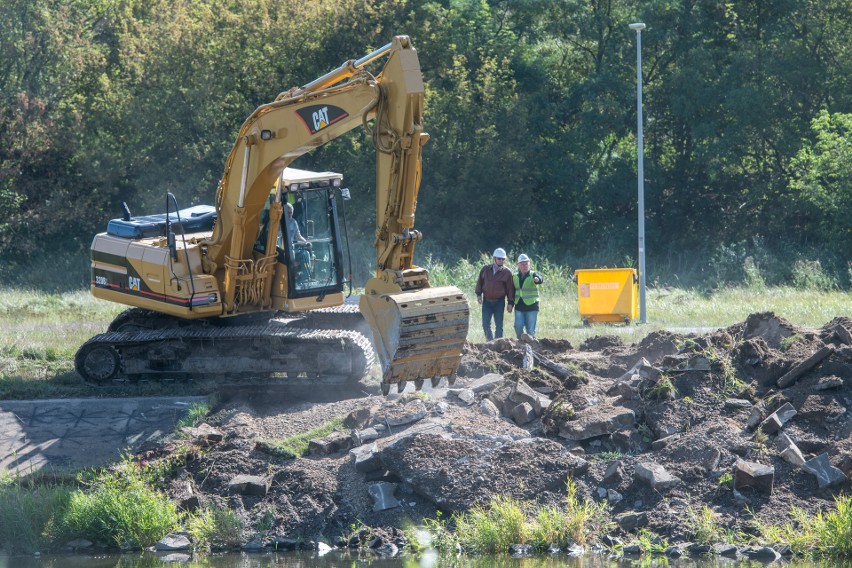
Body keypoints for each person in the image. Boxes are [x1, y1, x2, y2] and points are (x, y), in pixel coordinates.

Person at [475, 248, 515, 340]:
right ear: (494, 258)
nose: (501, 261)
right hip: (486, 301)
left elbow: (510, 289)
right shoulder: (485, 269)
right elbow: (479, 283)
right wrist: (478, 295)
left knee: (499, 326)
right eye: (499, 258)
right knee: (485, 324)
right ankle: (490, 343)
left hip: (499, 302)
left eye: (503, 259)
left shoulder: (507, 273)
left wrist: (510, 303)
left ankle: (498, 345)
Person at [512, 253, 543, 339]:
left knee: (530, 331)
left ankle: (531, 348)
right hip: (519, 306)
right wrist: (510, 304)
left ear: (529, 264)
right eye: (522, 264)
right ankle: (521, 343)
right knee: (518, 327)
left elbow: (540, 279)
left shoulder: (533, 274)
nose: (524, 266)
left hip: (531, 307)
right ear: (518, 265)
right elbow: (512, 291)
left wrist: (538, 280)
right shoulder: (514, 276)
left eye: (526, 264)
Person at [285, 202, 312, 280]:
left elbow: (298, 236)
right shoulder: (279, 222)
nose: (290, 214)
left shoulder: (293, 222)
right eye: (288, 213)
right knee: (292, 254)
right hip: (283, 251)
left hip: (293, 249)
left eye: (291, 213)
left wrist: (307, 243)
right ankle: (291, 279)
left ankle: (306, 278)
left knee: (306, 254)